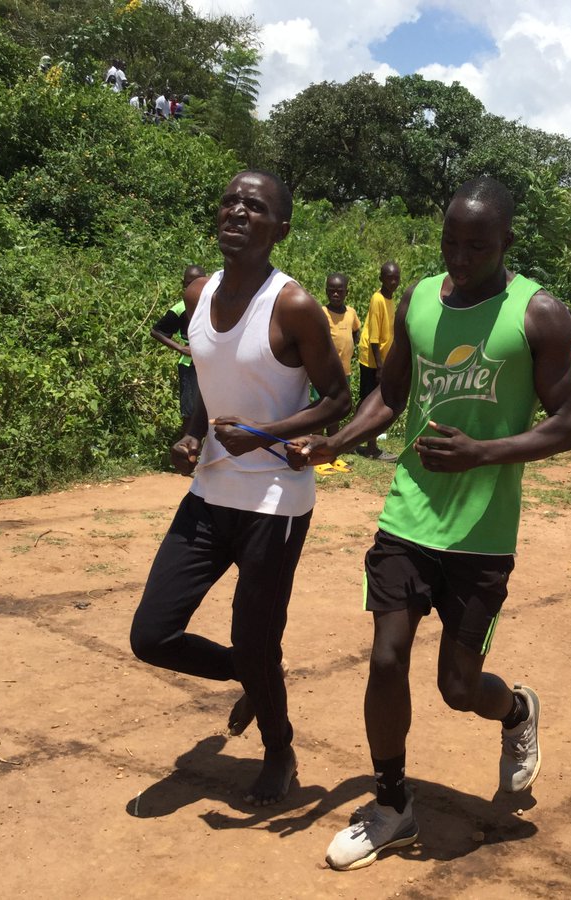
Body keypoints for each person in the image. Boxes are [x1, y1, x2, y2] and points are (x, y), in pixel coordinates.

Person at [288, 176, 571, 871]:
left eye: (477, 246)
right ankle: (392, 804)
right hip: (410, 511)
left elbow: (568, 423)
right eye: (450, 241)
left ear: (507, 241)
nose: (460, 257)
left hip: (483, 530)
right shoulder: (419, 298)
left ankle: (515, 711)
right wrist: (338, 441)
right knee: (386, 656)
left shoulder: (538, 313)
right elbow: (391, 394)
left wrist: (485, 452)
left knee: (458, 687)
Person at [128, 171, 351, 806]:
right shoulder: (198, 295)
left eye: (254, 206)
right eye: (230, 201)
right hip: (209, 493)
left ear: (280, 229)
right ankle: (254, 678)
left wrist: (265, 434)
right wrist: (190, 433)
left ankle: (280, 752)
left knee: (257, 639)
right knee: (152, 635)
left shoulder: (293, 306)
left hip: (274, 502)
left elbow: (338, 398)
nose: (237, 212)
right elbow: (210, 380)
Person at [149, 264, 206, 432]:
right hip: (190, 365)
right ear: (183, 285)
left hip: (211, 364)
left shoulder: (214, 305)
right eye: (189, 284)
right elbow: (156, 331)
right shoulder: (181, 308)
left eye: (198, 283)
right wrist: (181, 348)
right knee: (190, 412)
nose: (194, 288)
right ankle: (186, 445)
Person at [355, 261, 400, 461]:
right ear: (381, 278)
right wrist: (380, 367)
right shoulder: (378, 299)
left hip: (381, 359)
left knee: (366, 400)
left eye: (396, 278)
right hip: (372, 360)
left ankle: (353, 440)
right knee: (371, 402)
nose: (393, 282)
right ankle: (371, 448)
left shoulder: (390, 299)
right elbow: (374, 337)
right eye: (389, 278)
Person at [316, 273, 361, 474]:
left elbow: (356, 331)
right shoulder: (322, 313)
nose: (335, 294)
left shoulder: (351, 313)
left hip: (344, 372)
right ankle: (317, 456)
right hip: (324, 372)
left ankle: (332, 455)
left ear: (346, 292)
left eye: (339, 291)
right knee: (320, 413)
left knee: (336, 412)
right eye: (331, 290)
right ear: (326, 291)